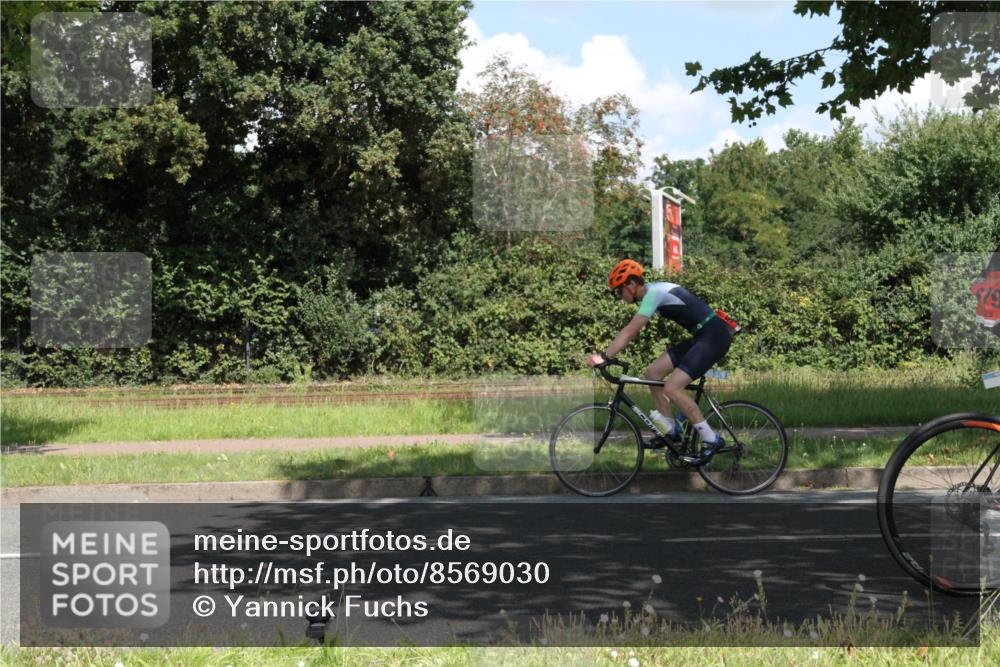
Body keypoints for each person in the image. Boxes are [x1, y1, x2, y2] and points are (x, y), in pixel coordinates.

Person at [587, 259, 735, 461]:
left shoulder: (652, 294)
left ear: (631, 285)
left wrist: (604, 356)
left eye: (618, 291)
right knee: (652, 373)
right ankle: (671, 431)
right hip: (703, 337)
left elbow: (630, 331)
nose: (618, 296)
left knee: (672, 388)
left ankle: (711, 438)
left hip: (713, 337)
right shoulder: (654, 292)